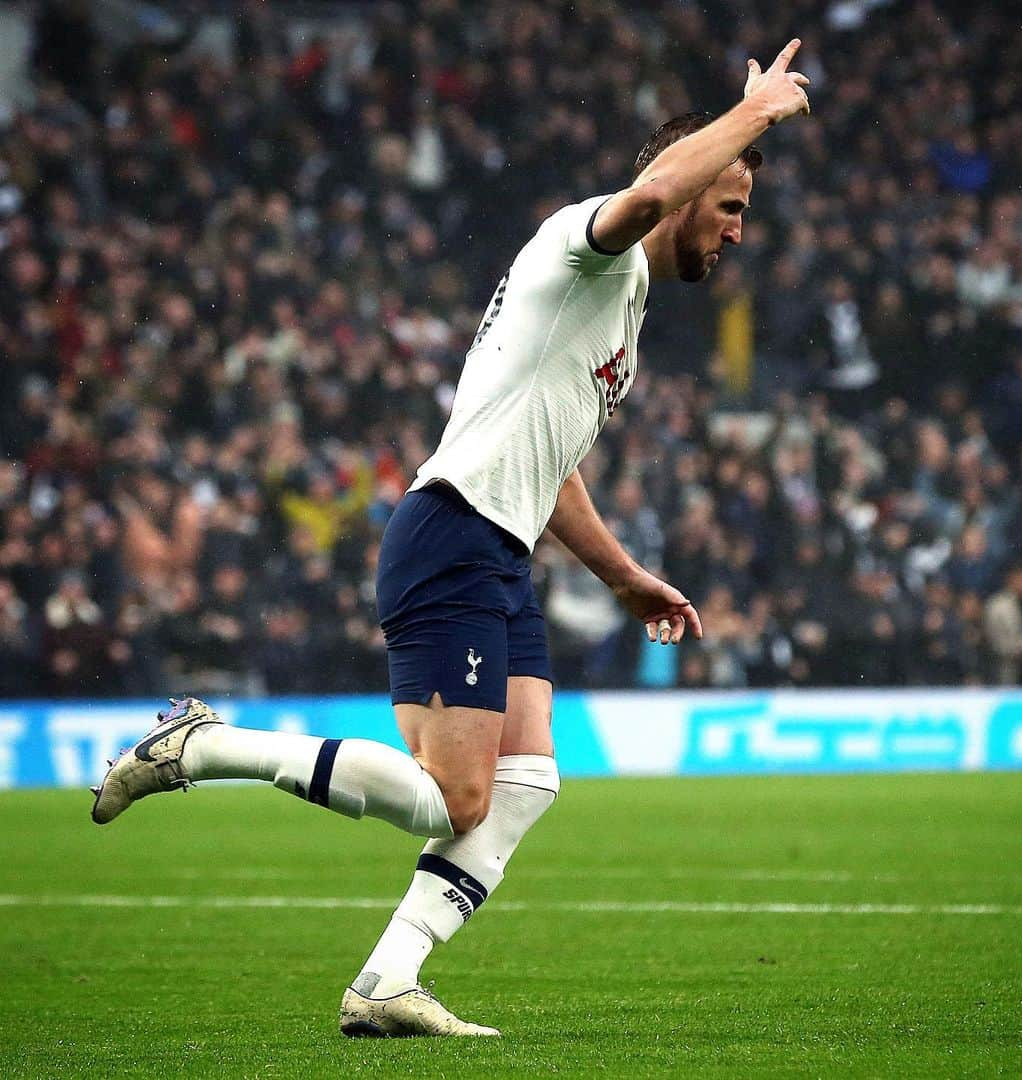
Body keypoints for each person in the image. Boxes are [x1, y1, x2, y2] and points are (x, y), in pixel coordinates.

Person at [91, 39, 812, 1037]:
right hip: (452, 531)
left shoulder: (625, 310)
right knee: (455, 802)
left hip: (501, 549)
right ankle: (204, 745)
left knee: (526, 782)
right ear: (689, 187)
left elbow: (554, 468)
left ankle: (388, 981)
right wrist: (757, 116)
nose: (737, 232)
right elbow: (649, 194)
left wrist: (625, 578)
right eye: (730, 206)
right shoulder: (581, 244)